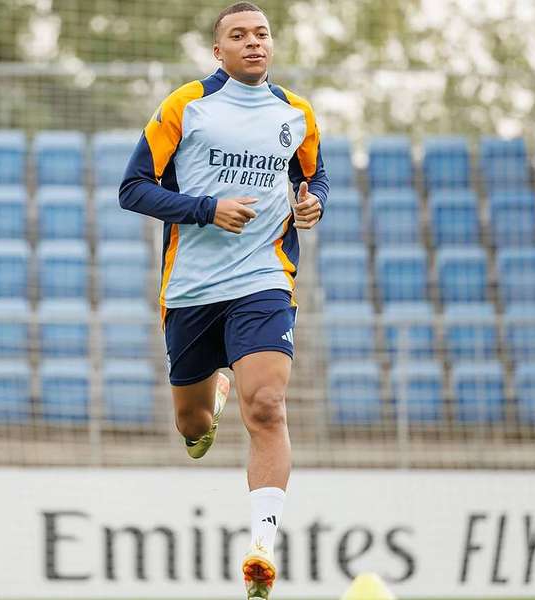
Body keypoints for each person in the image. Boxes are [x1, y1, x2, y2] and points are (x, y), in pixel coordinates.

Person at [119, 2, 329, 598]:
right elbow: (132, 189)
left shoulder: (296, 114)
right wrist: (206, 209)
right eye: (238, 35)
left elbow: (316, 178)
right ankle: (210, 392)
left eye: (262, 33)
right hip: (190, 289)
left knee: (267, 406)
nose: (253, 42)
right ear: (219, 51)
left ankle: (262, 547)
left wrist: (312, 204)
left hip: (264, 278)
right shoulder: (186, 106)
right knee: (193, 426)